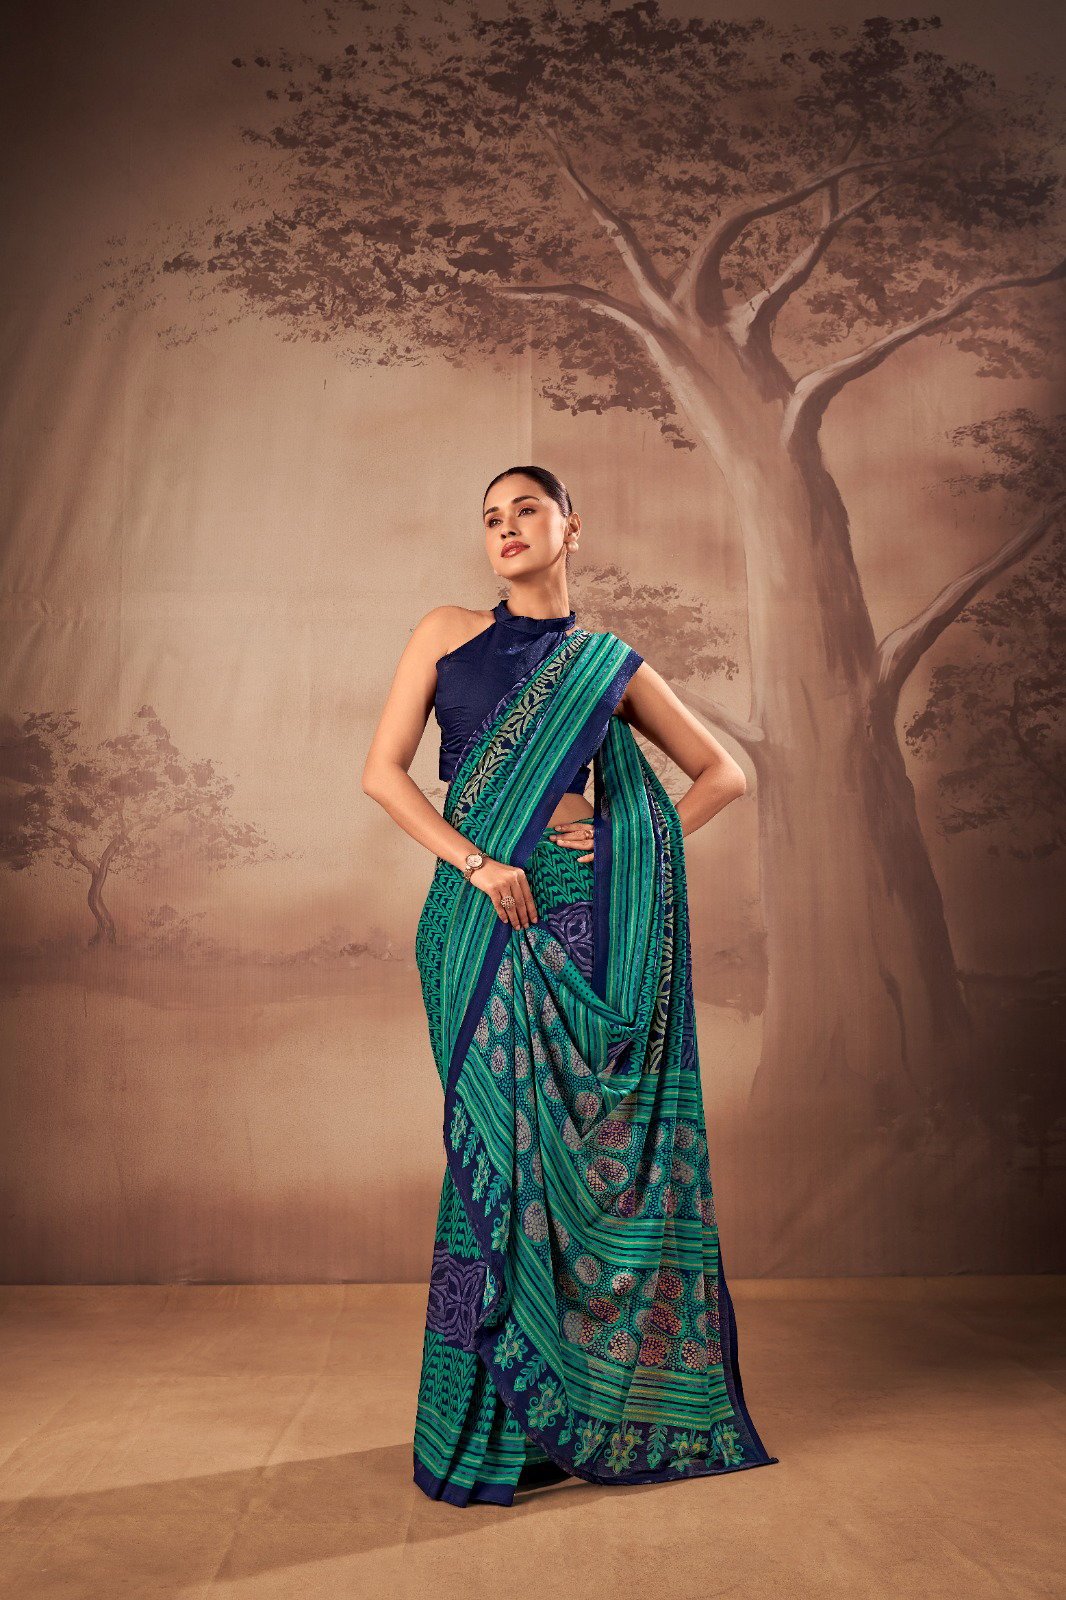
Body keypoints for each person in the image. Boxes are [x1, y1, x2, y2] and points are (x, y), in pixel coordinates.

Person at [362, 465, 778, 1506]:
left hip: (586, 923)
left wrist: (630, 849)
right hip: (478, 914)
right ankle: (483, 1429)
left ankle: (575, 1411)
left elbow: (725, 773)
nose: (505, 528)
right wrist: (477, 863)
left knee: (580, 1164)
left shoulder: (605, 664)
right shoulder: (445, 632)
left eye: (526, 511)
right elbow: (383, 773)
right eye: (491, 517)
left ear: (570, 527)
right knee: (497, 1157)